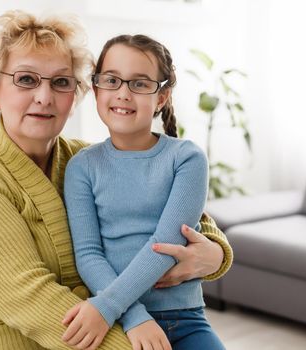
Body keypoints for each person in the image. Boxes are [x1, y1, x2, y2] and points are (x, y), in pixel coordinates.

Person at [0, 10, 233, 350]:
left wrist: (215, 255)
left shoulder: (82, 159)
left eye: (60, 82)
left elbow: (183, 217)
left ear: (76, 94)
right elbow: (38, 306)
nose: (44, 97)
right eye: (26, 79)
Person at [62, 34, 225, 350]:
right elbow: (88, 254)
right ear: (96, 88)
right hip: (116, 320)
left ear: (161, 97)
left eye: (139, 84)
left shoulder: (187, 159)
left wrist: (108, 305)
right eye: (112, 80)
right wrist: (132, 315)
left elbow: (166, 242)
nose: (123, 93)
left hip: (184, 320)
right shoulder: (81, 167)